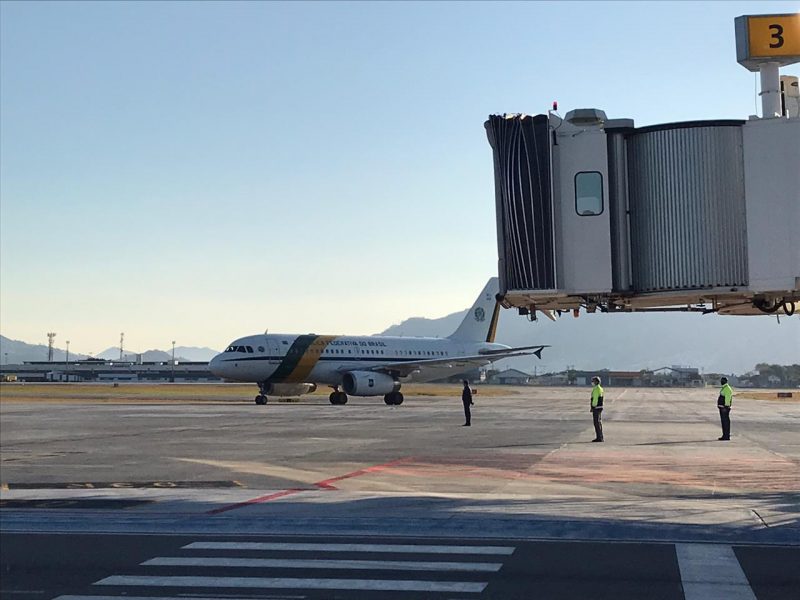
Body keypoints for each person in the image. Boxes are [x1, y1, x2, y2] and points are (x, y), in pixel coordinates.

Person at [590, 376, 604, 442]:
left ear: (596, 382)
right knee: (599, 422)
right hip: (600, 407)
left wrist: (593, 406)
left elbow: (595, 399)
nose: (592, 382)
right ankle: (600, 436)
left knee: (596, 423)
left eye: (593, 381)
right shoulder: (600, 388)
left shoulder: (596, 389)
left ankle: (599, 437)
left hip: (596, 407)